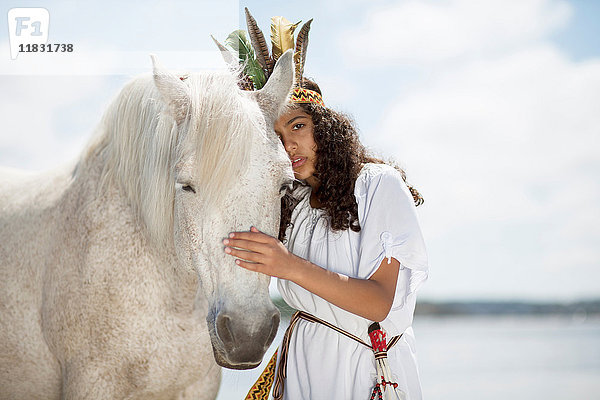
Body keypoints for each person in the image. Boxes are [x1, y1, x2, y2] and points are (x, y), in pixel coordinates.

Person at [222, 77, 429, 400]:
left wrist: (289, 266)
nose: (288, 145)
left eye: (297, 126)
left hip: (365, 371)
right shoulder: (293, 205)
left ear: (325, 127)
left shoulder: (376, 185)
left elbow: (378, 303)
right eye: (275, 136)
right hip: (302, 369)